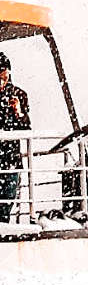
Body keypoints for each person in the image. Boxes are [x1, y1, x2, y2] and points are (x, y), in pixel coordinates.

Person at [0, 51, 31, 224]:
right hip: (7, 159)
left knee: (7, 199)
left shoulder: (19, 95)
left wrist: (18, 112)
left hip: (10, 158)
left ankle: (3, 226)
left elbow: (27, 127)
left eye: (3, 73)